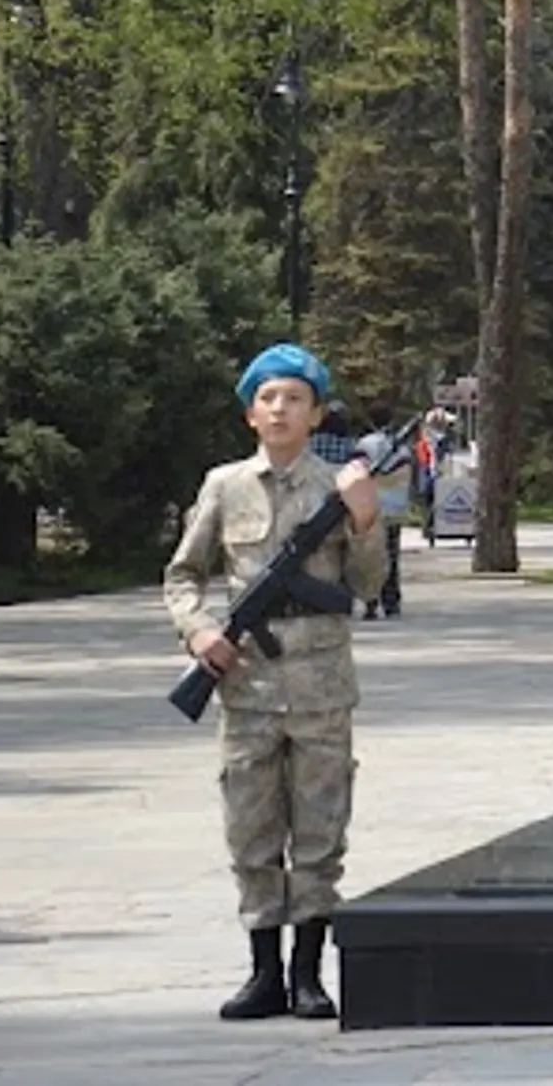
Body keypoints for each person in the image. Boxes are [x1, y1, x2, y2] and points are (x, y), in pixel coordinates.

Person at [163, 342, 388, 1022]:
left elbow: (368, 585)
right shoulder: (224, 487)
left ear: (317, 412)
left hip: (321, 686)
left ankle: (308, 976)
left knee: (321, 830)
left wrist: (367, 517)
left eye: (295, 397)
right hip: (247, 688)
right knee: (251, 828)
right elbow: (182, 575)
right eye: (268, 398)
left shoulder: (338, 487)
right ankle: (263, 973)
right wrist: (201, 632)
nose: (281, 408)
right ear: (249, 415)